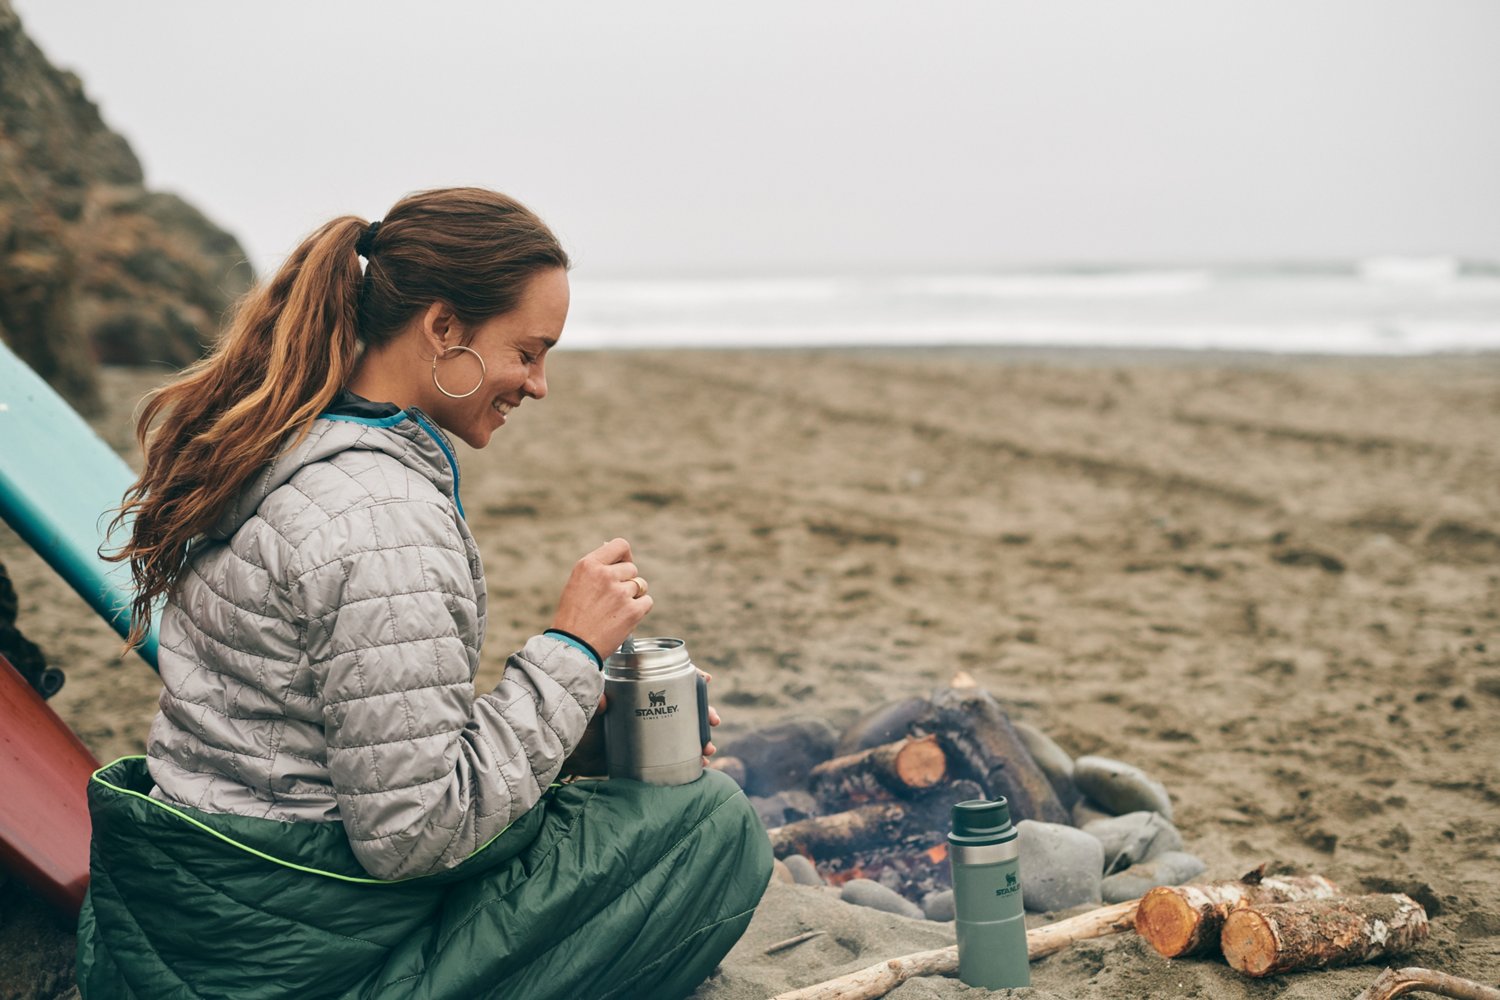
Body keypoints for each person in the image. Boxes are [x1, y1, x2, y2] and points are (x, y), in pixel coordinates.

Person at [78, 187, 772, 999]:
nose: (538, 384)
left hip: (197, 926)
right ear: (444, 329)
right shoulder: (382, 517)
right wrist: (572, 651)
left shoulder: (283, 445)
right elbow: (412, 835)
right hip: (283, 962)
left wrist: (574, 744)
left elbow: (352, 751)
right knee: (709, 826)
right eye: (528, 350)